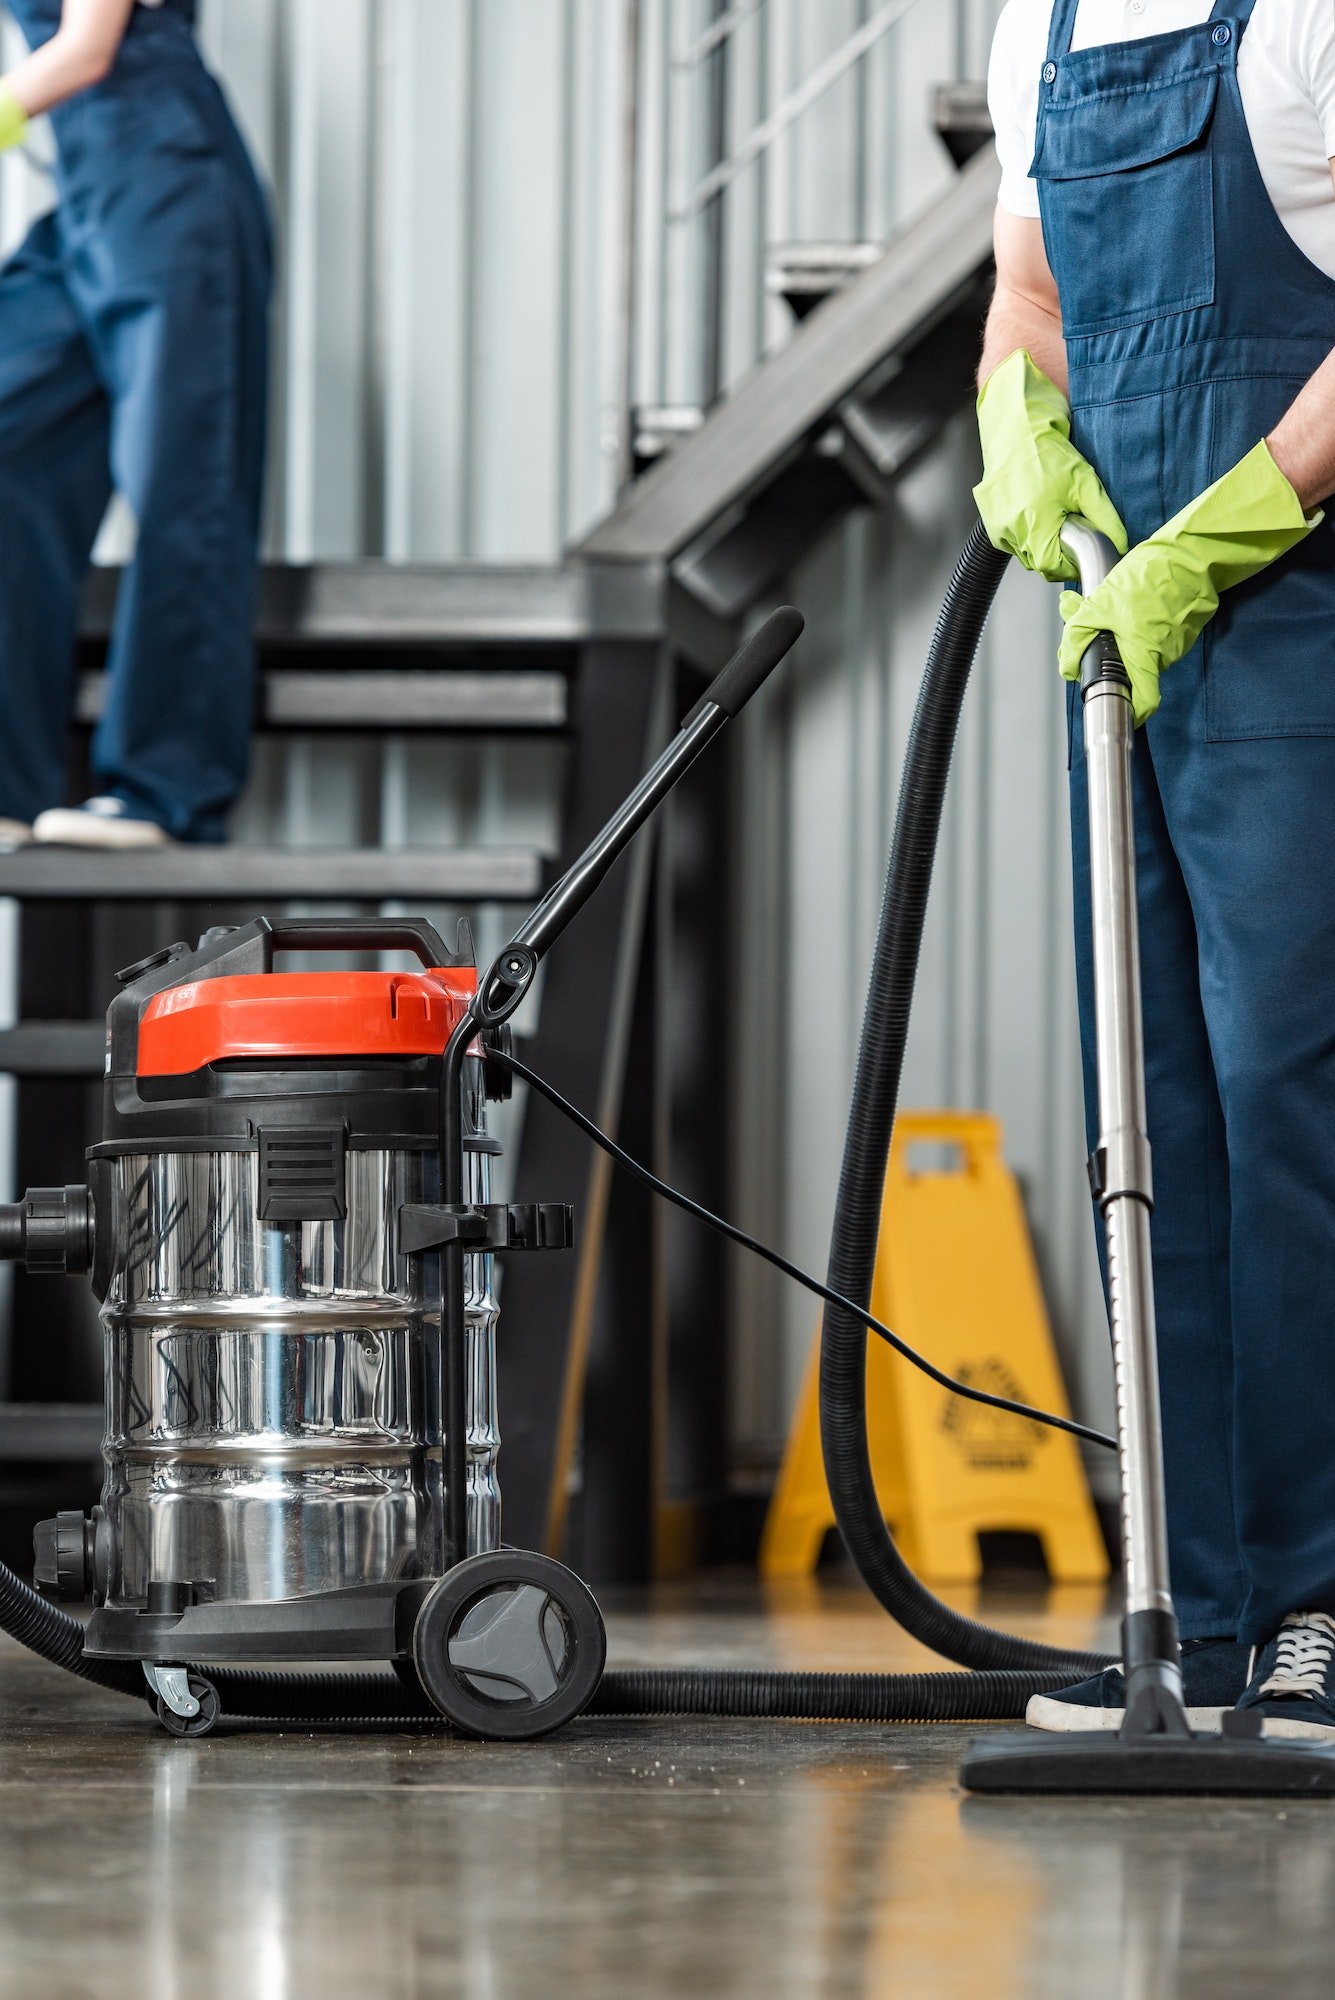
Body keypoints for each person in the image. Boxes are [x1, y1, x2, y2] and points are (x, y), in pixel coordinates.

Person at [976, 0, 1335, 1741]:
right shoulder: (1030, 28)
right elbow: (1027, 294)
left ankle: (1320, 1609)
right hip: (1120, 627)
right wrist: (1017, 428)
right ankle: (1186, 1625)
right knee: (1155, 1113)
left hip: (1294, 620)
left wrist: (1224, 537)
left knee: (1291, 1104)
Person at [0, 0, 269, 850]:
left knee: (181, 472)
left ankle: (167, 787)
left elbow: (86, 48)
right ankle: (8, 785)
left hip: (166, 171)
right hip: (85, 190)